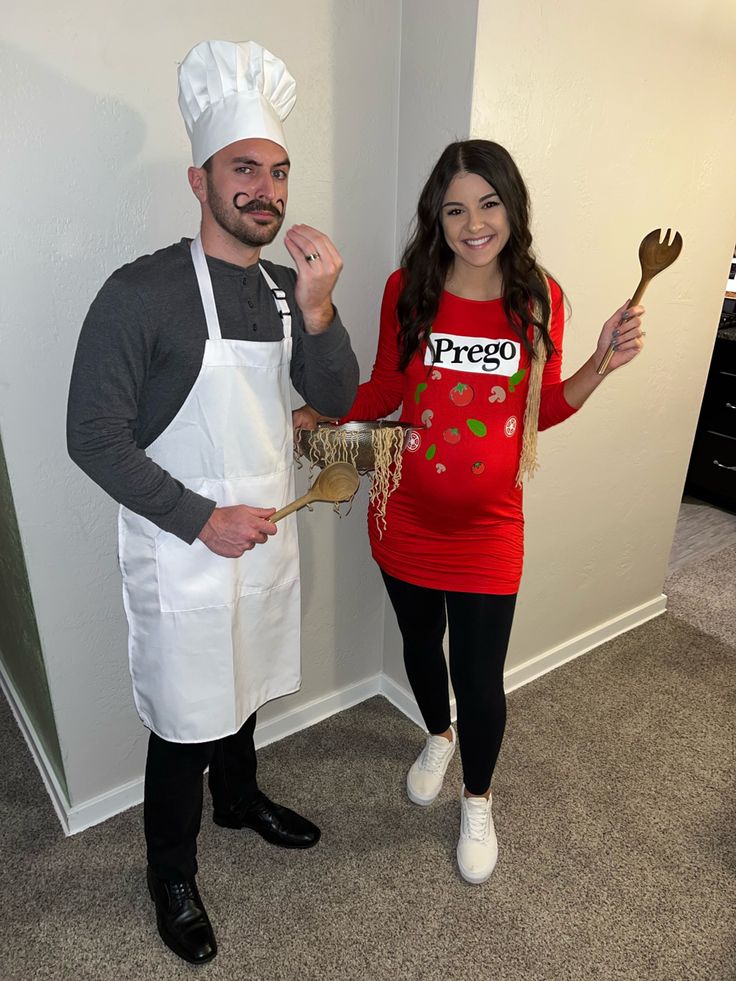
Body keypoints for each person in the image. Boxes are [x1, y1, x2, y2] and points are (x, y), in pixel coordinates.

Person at [67, 40, 358, 964]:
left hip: (267, 533)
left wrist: (319, 312)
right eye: (244, 170)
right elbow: (93, 437)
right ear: (200, 179)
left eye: (278, 171)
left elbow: (337, 397)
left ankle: (240, 801)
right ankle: (171, 868)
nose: (265, 190)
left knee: (248, 679)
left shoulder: (286, 289)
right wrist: (200, 516)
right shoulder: (139, 292)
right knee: (185, 714)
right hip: (184, 544)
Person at [294, 139, 645, 885]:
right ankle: (436, 733)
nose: (473, 223)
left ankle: (478, 797)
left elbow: (540, 408)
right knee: (422, 647)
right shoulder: (407, 286)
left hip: (489, 529)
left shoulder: (536, 296)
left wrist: (602, 361)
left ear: (513, 208)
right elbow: (387, 386)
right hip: (404, 516)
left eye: (488, 204)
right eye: (455, 208)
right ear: (437, 217)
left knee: (481, 676)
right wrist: (323, 414)